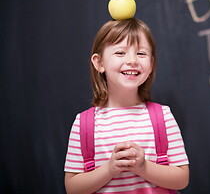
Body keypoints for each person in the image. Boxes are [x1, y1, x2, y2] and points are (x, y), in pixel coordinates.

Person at [64, 18, 189, 194]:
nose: (132, 60)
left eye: (141, 53)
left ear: (151, 63)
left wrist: (143, 167)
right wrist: (109, 169)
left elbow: (181, 179)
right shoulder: (83, 124)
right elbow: (72, 188)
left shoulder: (163, 116)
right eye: (120, 53)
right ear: (99, 63)